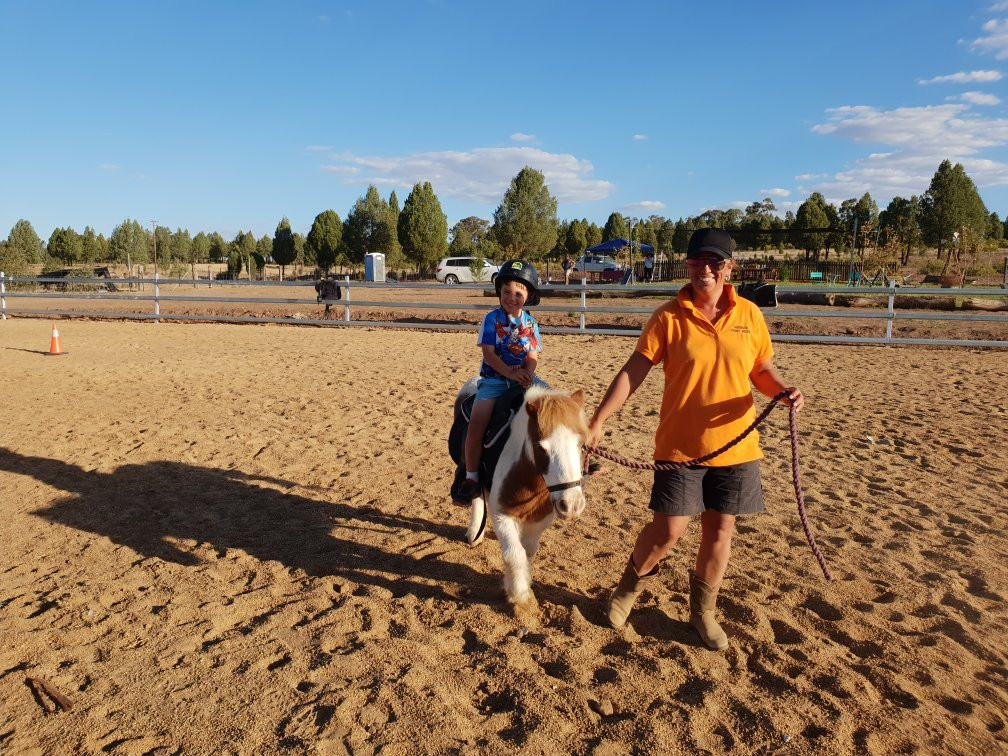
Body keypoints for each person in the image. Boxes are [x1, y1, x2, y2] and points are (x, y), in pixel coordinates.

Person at [586, 228, 804, 650]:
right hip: (681, 447)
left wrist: (782, 389)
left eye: (715, 262)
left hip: (736, 446)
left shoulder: (750, 316)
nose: (705, 269)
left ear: (729, 268)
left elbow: (761, 369)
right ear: (687, 266)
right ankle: (627, 590)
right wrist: (598, 418)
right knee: (668, 530)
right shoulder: (668, 316)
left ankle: (703, 612)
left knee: (720, 529)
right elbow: (635, 371)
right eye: (697, 262)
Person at [453, 260, 546, 505]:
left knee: (554, 407)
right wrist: (509, 373)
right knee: (476, 424)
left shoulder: (531, 324)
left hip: (524, 379)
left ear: (529, 295)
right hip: (494, 380)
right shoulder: (491, 319)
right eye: (506, 292)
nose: (511, 298)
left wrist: (527, 372)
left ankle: (575, 461)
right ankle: (471, 476)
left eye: (518, 293)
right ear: (499, 293)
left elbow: (533, 356)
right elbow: (489, 354)